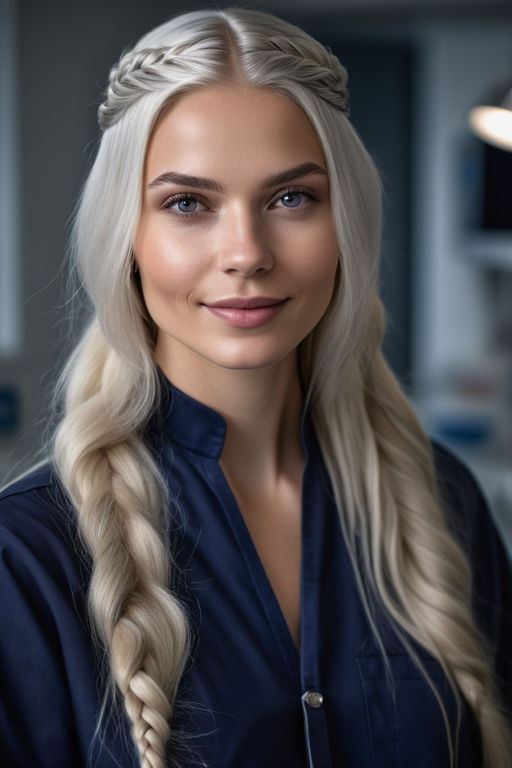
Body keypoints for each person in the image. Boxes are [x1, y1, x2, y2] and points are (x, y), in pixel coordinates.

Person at [0, 7, 510, 768]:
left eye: (291, 198)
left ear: (349, 224)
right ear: (126, 239)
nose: (246, 253)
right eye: (186, 204)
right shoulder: (24, 560)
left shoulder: (445, 503)